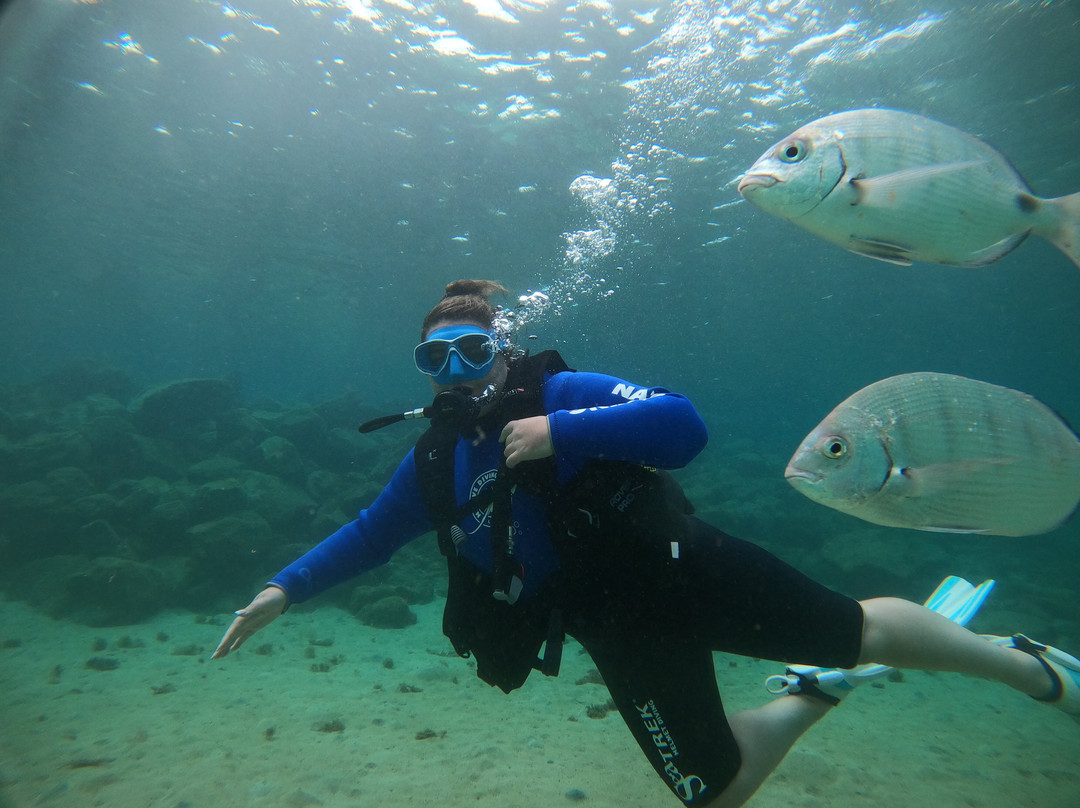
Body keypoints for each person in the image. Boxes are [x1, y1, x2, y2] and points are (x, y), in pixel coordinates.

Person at [213, 279, 1079, 807]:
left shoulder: (565, 389)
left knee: (864, 628)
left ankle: (1028, 669)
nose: (456, 375)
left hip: (687, 567)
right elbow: (371, 535)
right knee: (713, 791)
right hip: (611, 625)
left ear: (501, 348)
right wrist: (281, 590)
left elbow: (684, 424)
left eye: (472, 352)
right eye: (432, 362)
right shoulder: (435, 459)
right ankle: (815, 693)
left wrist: (564, 431)